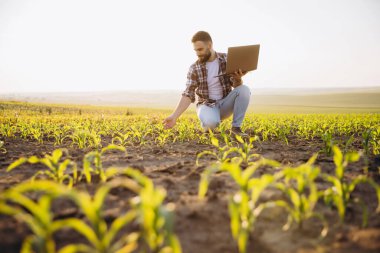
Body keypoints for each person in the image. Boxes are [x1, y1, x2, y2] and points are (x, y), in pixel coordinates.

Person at [163, 31, 251, 136]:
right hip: (206, 105)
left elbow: (236, 86)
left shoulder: (227, 59)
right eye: (195, 50)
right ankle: (210, 119)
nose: (198, 53)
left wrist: (238, 78)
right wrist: (174, 116)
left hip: (225, 104)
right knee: (210, 124)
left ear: (209, 45)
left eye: (200, 49)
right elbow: (188, 94)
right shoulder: (194, 68)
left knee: (244, 89)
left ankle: (236, 128)